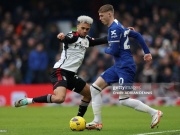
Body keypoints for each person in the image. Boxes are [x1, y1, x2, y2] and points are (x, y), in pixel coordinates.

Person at [86, 4, 163, 130]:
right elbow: (136, 35)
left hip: (126, 67)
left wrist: (102, 49)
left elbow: (114, 51)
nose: (99, 18)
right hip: (118, 66)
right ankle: (97, 122)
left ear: (109, 14)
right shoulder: (118, 25)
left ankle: (154, 112)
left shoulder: (115, 29)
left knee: (124, 100)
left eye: (101, 15)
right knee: (94, 89)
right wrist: (147, 52)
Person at [14, 15, 107, 117]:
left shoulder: (87, 40)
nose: (85, 31)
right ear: (77, 27)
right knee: (59, 99)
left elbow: (103, 40)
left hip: (71, 75)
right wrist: (62, 37)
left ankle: (78, 119)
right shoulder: (72, 35)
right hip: (60, 71)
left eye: (87, 29)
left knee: (89, 94)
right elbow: (67, 39)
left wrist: (123, 33)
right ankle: (29, 100)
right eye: (83, 28)